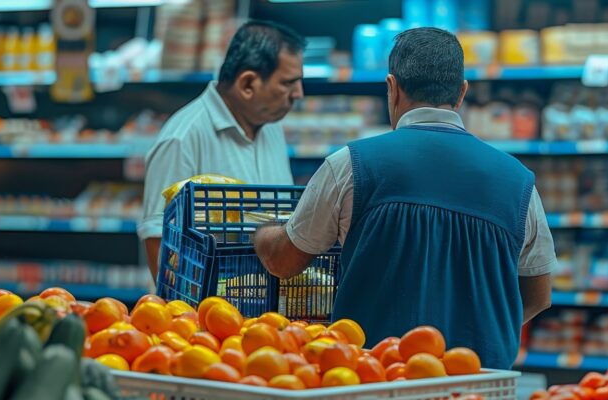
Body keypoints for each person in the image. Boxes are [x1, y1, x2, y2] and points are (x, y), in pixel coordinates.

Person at [254, 27, 554, 369]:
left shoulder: (350, 165)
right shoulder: (519, 182)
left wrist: (261, 232)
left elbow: (283, 261)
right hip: (478, 383)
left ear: (392, 88)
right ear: (462, 93)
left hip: (376, 379)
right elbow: (538, 296)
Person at [140, 20, 305, 280]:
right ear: (247, 84)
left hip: (269, 311)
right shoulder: (181, 138)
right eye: (288, 83)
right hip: (211, 312)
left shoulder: (271, 127)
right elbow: (159, 241)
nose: (299, 94)